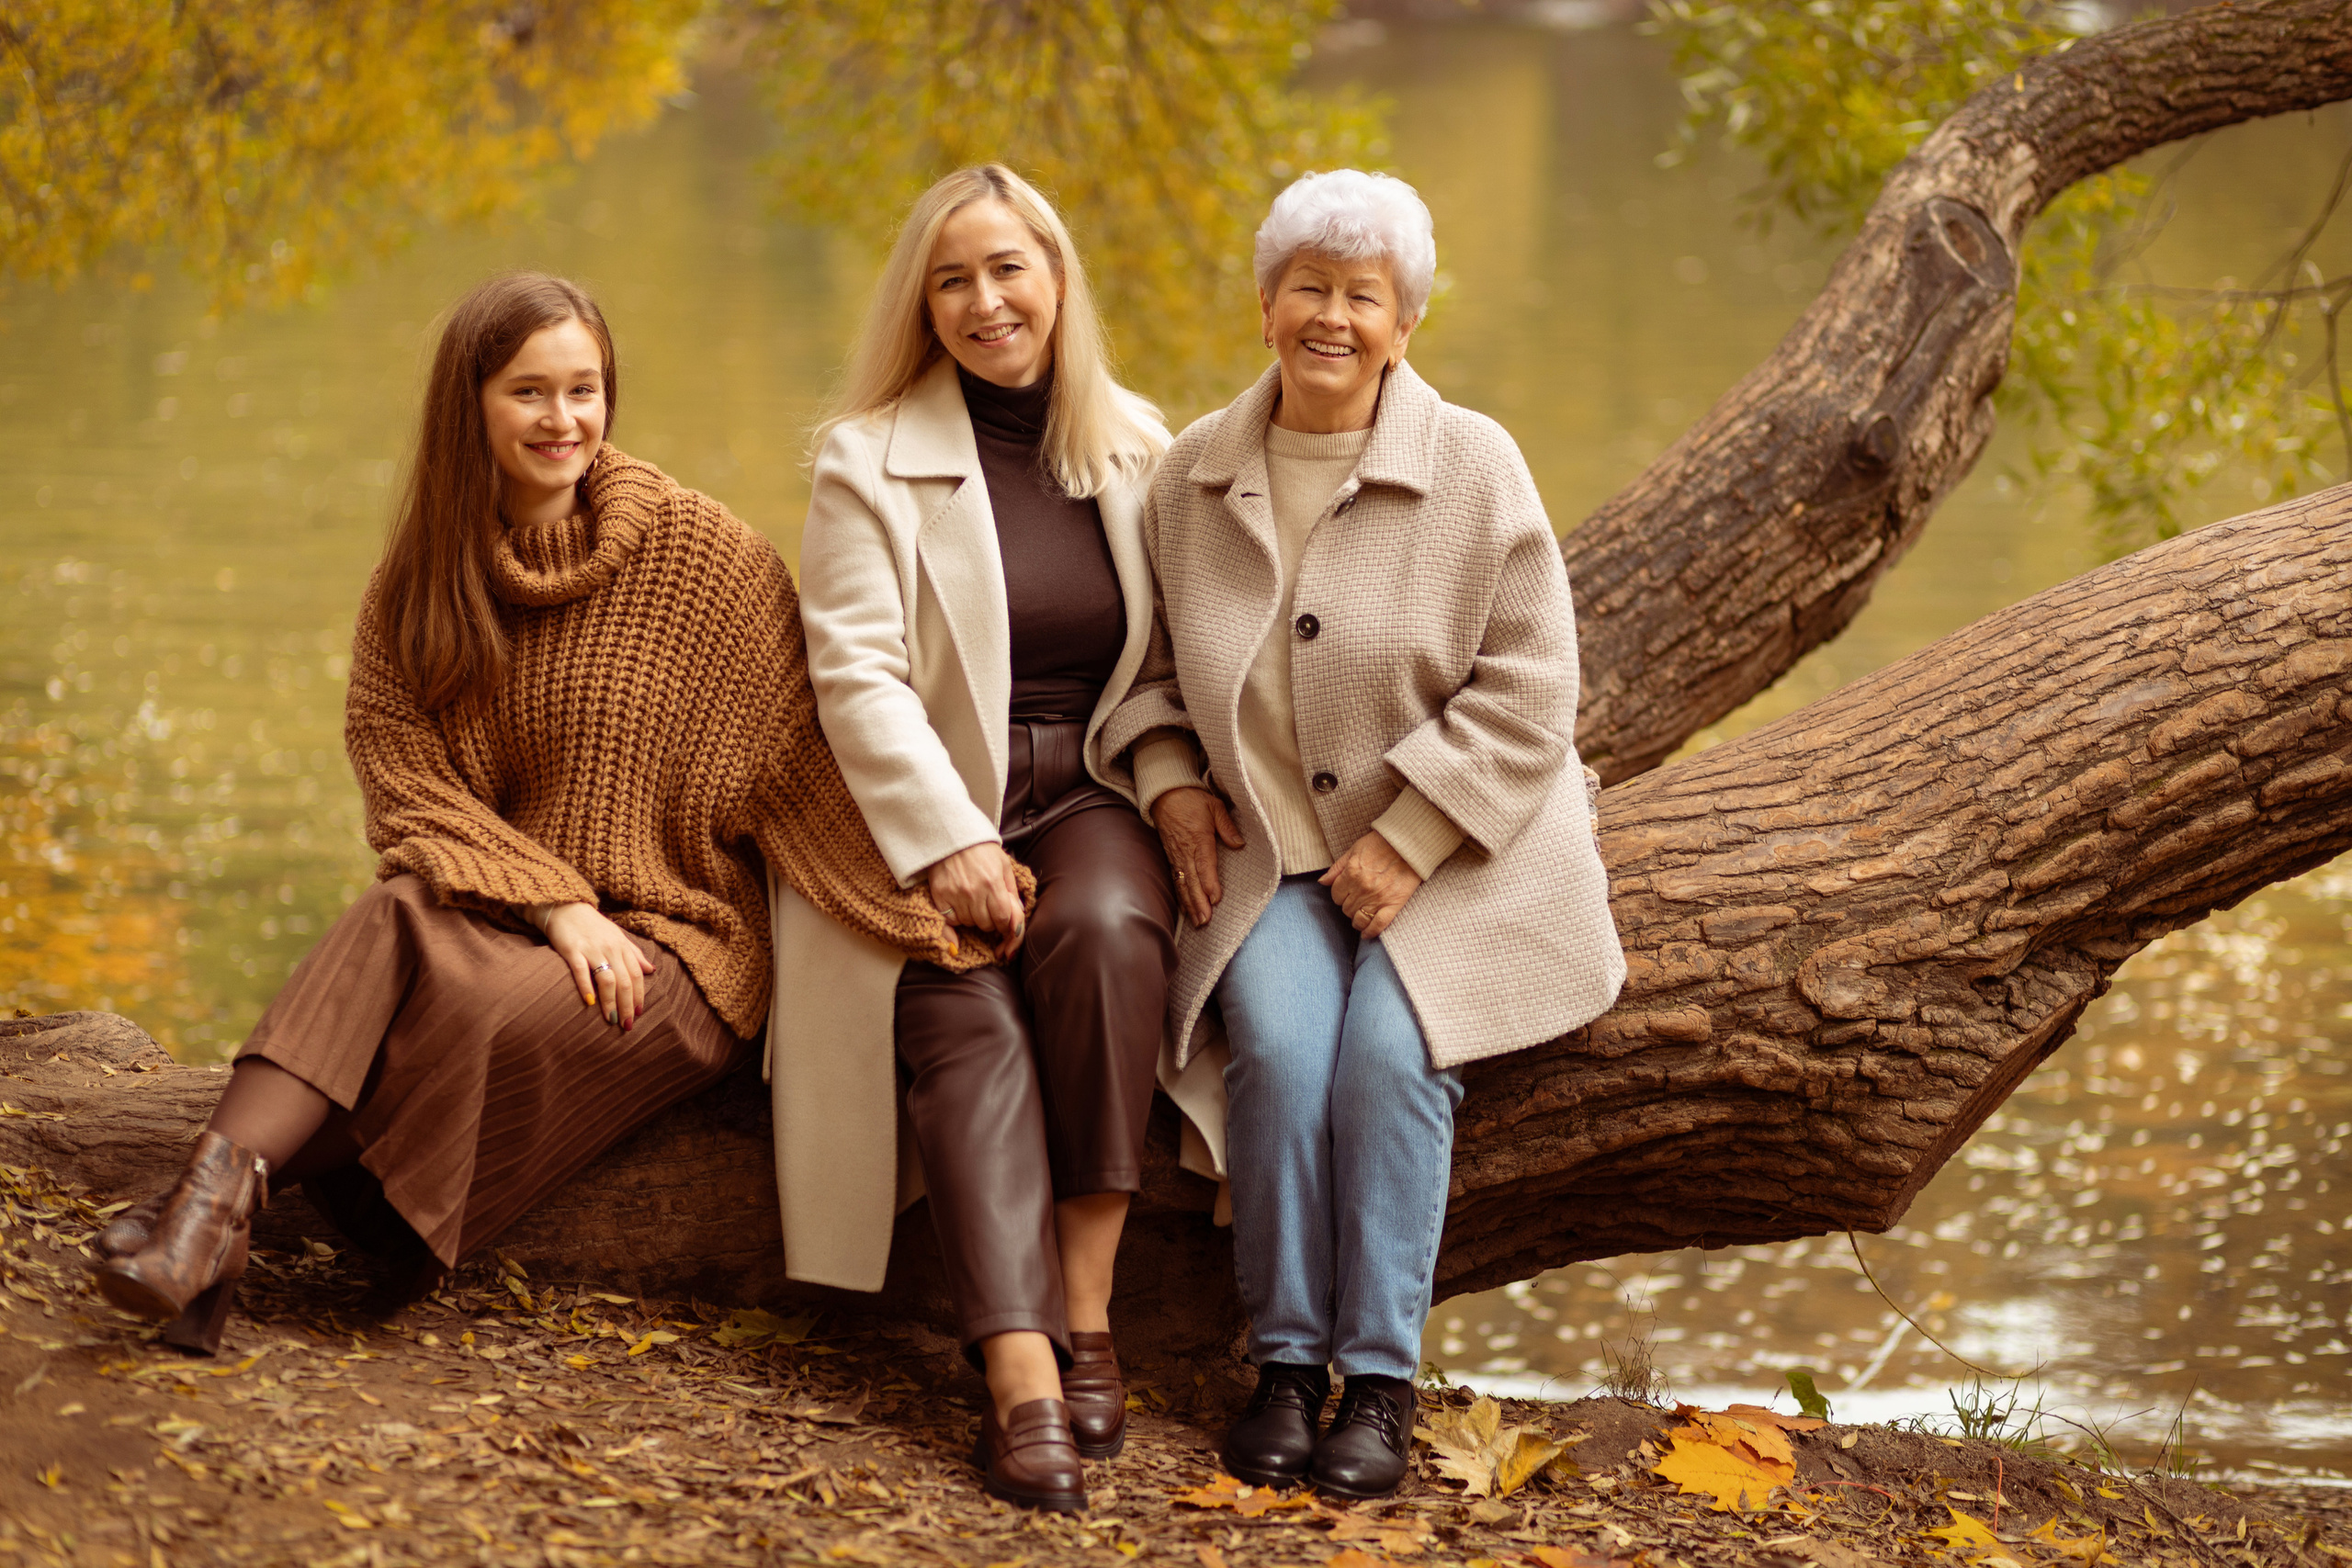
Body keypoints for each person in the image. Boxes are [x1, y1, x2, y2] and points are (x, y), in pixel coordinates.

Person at [91, 272, 968, 1357]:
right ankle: (206, 1228)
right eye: (529, 393)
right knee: (399, 909)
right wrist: (555, 903)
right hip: (507, 926)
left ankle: (194, 1218)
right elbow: (402, 781)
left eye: (584, 390)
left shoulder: (702, 557)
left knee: (441, 982)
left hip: (669, 955)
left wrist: (949, 871)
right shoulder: (419, 583)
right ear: (471, 406)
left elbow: (799, 765)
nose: (563, 421)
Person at [1100, 169, 1625, 1499]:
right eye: (1309, 288)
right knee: (1275, 1048)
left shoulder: (1473, 464)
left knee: (1392, 1058)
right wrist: (1168, 781)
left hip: (1455, 853)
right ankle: (1286, 1362)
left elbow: (1535, 681)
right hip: (1272, 847)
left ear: (1403, 325)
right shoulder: (1188, 478)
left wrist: (1415, 830)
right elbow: (1148, 670)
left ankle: (1379, 1379)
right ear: (1265, 302)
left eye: (1363, 297)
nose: (1331, 317)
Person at [775, 165, 1177, 1515]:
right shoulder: (865, 458)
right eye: (953, 278)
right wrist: (945, 839)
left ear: (1058, 279)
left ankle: (1088, 1307)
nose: (985, 299)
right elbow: (858, 678)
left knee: (1111, 934)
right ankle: (1018, 1377)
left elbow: (1175, 670)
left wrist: (1171, 785)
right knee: (967, 1017)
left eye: (1009, 268)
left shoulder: (1137, 449)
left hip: (1088, 795)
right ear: (923, 303)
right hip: (922, 811)